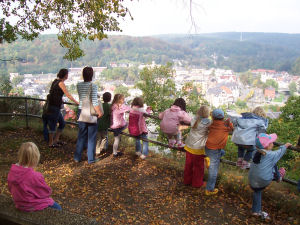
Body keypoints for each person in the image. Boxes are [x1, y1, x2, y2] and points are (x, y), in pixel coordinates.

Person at [7, 142, 62, 212]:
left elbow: (10, 188)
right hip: (30, 205)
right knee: (58, 207)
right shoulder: (35, 176)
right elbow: (45, 193)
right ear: (36, 157)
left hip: (19, 203)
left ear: (20, 155)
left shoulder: (13, 171)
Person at [249, 133, 291, 220]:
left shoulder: (254, 152)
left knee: (257, 191)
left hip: (252, 180)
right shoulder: (270, 155)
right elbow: (280, 153)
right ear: (268, 146)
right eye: (272, 142)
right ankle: (278, 176)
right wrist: (285, 146)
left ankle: (256, 211)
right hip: (263, 180)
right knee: (273, 164)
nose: (273, 143)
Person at [74, 67, 102, 164]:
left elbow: (82, 98)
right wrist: (100, 112)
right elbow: (94, 101)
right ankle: (91, 159)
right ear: (92, 75)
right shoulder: (93, 86)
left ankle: (77, 157)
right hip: (90, 112)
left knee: (81, 135)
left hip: (81, 110)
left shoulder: (78, 85)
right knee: (91, 137)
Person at [46, 68, 79, 148]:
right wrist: (77, 102)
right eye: (67, 74)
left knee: (62, 123)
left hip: (52, 105)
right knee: (53, 124)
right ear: (65, 75)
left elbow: (55, 93)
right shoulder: (61, 83)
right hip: (55, 106)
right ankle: (51, 143)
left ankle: (55, 140)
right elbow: (68, 94)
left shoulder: (55, 81)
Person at [205, 109, 233, 195]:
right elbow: (232, 129)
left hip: (208, 146)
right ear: (223, 117)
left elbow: (208, 127)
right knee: (213, 170)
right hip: (215, 149)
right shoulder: (225, 126)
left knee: (221, 153)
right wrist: (229, 122)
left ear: (213, 117)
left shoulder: (211, 124)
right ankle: (209, 189)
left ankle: (209, 160)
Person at [184, 105, 211, 188]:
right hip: (199, 148)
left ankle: (187, 181)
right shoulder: (208, 122)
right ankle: (197, 183)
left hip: (189, 146)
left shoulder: (194, 119)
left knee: (188, 165)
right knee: (198, 167)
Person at [96, 92, 112, 156]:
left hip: (97, 124)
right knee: (104, 137)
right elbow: (110, 114)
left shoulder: (100, 105)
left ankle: (97, 151)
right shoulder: (109, 106)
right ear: (110, 99)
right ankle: (102, 148)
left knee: (98, 138)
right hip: (104, 125)